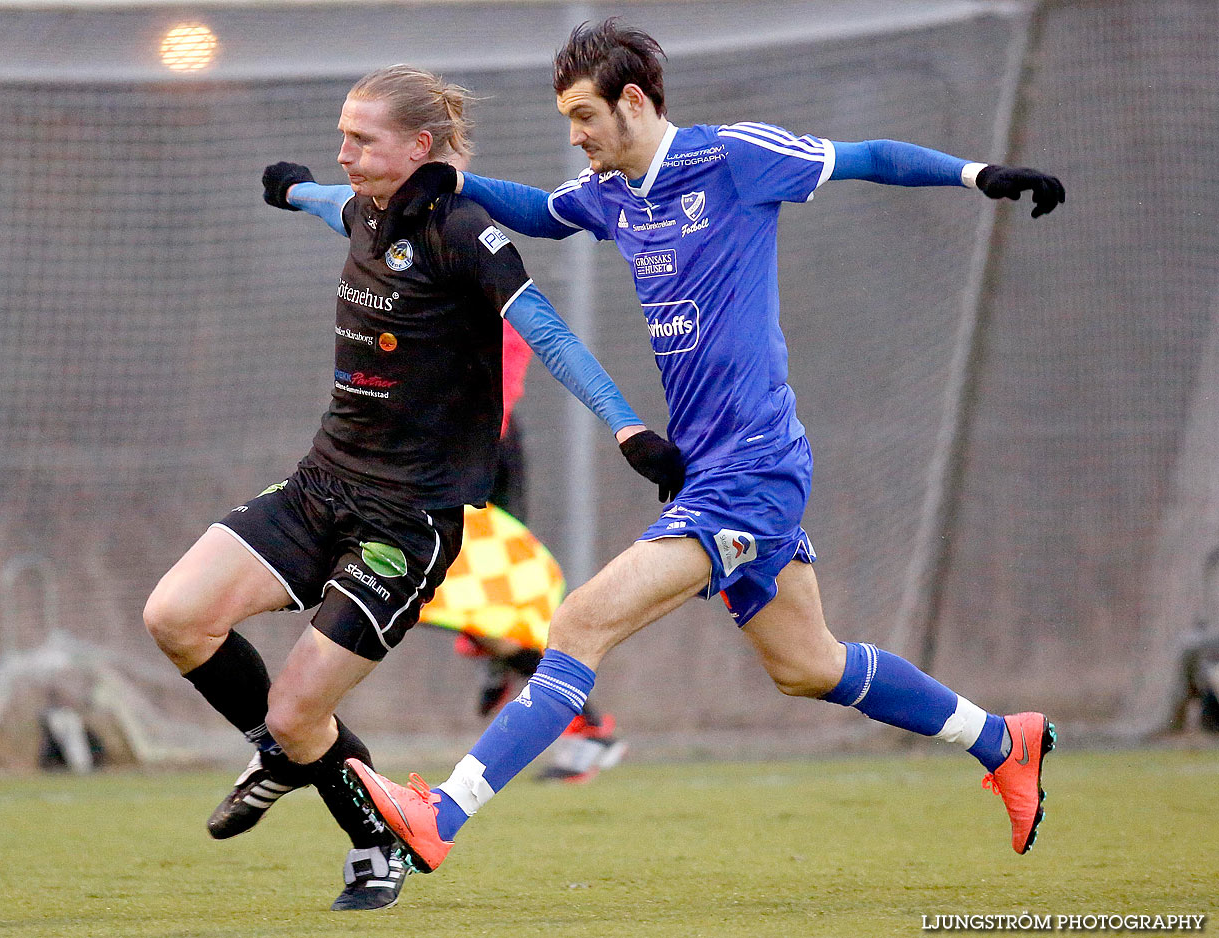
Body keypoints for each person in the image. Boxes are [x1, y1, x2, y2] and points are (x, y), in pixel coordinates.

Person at [347, 19, 1067, 881]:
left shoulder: (734, 158)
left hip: (751, 470)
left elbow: (866, 154)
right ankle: (1003, 740)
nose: (575, 136)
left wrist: (978, 173)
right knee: (809, 665)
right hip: (715, 469)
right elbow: (542, 212)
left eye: (584, 115)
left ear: (636, 101)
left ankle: (441, 812)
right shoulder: (609, 192)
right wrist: (451, 181)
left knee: (578, 622)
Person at [141, 63, 683, 912]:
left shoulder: (463, 231)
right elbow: (334, 205)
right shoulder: (361, 206)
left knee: (294, 713)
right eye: (341, 137)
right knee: (175, 617)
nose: (344, 152)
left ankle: (371, 835)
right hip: (321, 484)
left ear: (419, 148)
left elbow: (545, 330)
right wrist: (295, 191)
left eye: (361, 139)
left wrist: (627, 427)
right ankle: (285, 752)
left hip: (408, 520)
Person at [288, 152, 629, 783]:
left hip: (474, 456)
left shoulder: (472, 252)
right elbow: (342, 210)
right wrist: (298, 190)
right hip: (439, 453)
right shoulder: (397, 244)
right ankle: (521, 684)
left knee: (483, 605)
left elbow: (515, 361)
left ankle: (587, 725)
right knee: (466, 605)